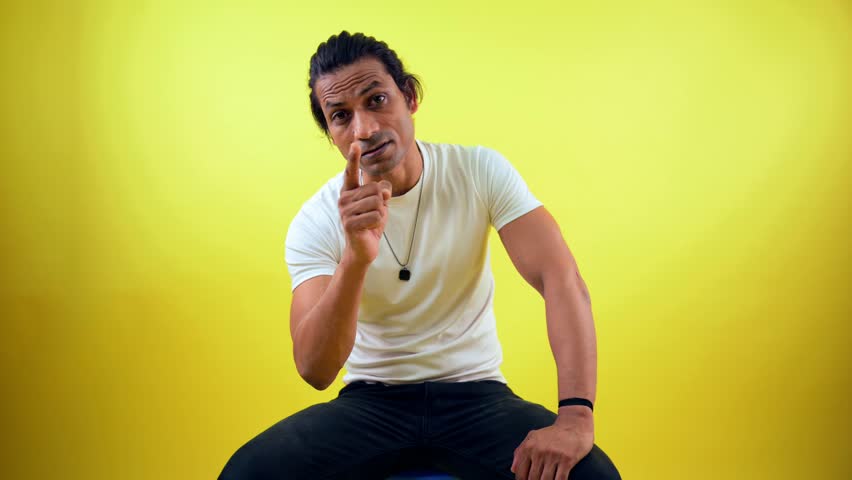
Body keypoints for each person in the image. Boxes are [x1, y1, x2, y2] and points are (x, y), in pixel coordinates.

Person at [219, 31, 621, 480]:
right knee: (246, 475)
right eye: (340, 116)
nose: (364, 129)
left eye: (376, 100)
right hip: (371, 405)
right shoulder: (316, 220)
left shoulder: (478, 171)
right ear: (331, 132)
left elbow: (560, 280)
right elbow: (315, 369)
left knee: (593, 477)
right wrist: (355, 258)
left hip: (477, 396)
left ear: (409, 97)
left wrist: (575, 417)